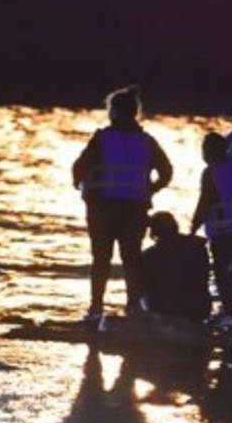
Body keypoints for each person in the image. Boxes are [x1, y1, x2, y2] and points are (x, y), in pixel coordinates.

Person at [71, 85, 173, 326]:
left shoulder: (102, 139)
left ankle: (96, 309)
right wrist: (150, 189)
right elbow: (166, 172)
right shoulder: (147, 142)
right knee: (132, 259)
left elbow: (79, 168)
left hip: (102, 208)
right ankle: (133, 307)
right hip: (135, 210)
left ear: (114, 112)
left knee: (101, 259)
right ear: (135, 112)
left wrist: (82, 188)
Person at [191, 132, 232, 326]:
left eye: (205, 149)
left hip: (223, 229)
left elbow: (205, 201)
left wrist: (193, 226)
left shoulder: (211, 173)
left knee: (222, 272)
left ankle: (229, 309)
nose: (203, 154)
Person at [139, 212, 212, 323]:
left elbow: (145, 286)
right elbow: (203, 277)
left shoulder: (149, 256)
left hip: (165, 309)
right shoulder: (197, 247)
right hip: (199, 308)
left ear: (153, 231)